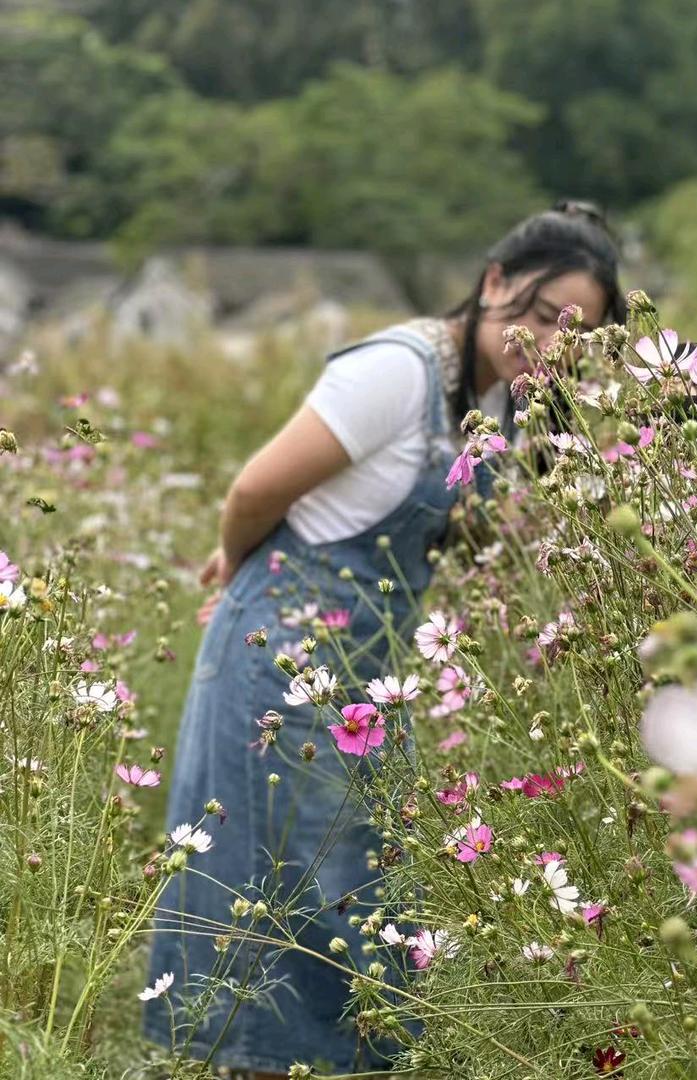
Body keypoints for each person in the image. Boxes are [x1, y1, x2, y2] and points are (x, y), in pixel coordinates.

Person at [141, 200, 623, 1079]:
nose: (553, 345)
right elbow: (254, 491)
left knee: (363, 874)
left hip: (364, 665)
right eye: (547, 317)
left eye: (578, 335)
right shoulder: (396, 372)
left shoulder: (489, 403)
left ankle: (342, 1061)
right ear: (494, 283)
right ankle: (250, 1059)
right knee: (273, 868)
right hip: (280, 649)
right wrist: (237, 576)